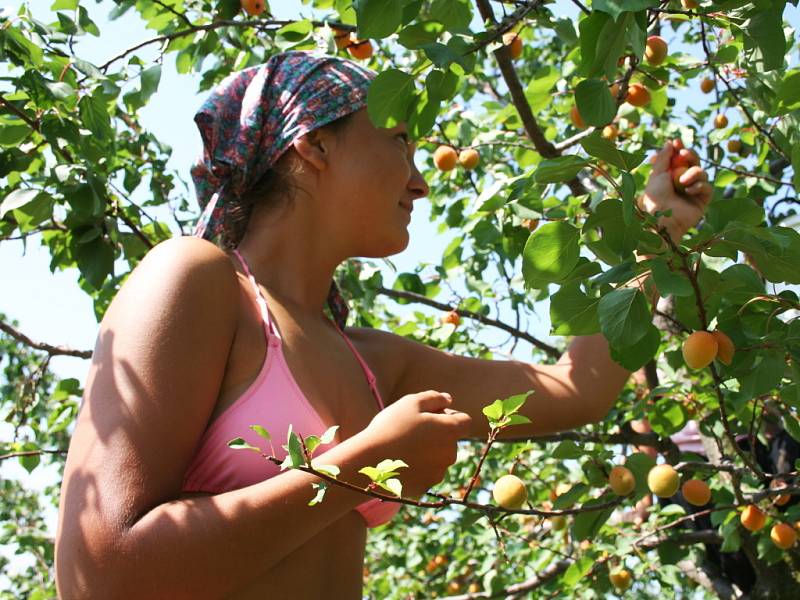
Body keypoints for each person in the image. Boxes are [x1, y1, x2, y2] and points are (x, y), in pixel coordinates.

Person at [54, 51, 712, 598]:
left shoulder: (372, 362)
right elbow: (99, 575)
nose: (420, 182)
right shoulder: (195, 281)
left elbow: (577, 388)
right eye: (400, 140)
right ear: (311, 143)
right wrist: (360, 469)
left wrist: (651, 237)